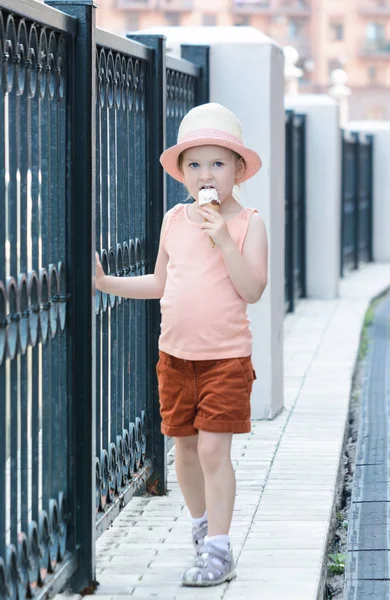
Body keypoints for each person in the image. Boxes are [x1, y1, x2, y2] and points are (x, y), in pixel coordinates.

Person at [95, 102, 268, 587]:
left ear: (237, 170)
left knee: (215, 452)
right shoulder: (175, 219)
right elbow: (159, 282)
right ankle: (200, 530)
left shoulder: (248, 222)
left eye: (217, 163)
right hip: (175, 358)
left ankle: (219, 546)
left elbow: (252, 290)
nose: (205, 173)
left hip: (225, 359)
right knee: (185, 453)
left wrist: (225, 241)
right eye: (194, 164)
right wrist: (107, 283)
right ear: (182, 174)